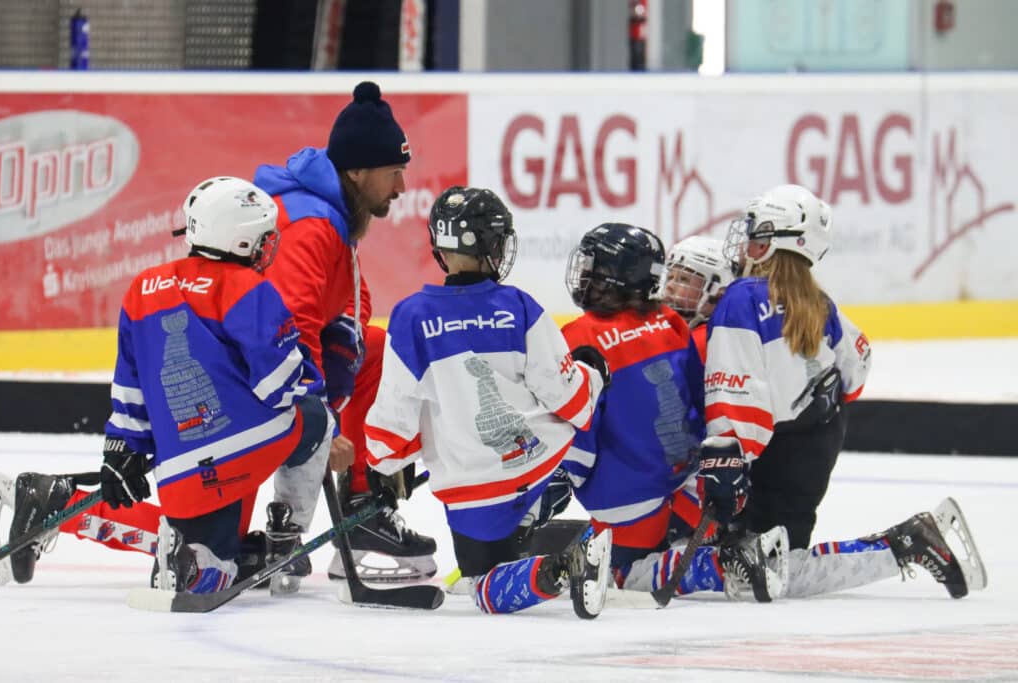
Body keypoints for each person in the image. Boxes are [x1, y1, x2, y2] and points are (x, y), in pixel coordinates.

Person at [4, 177, 334, 595]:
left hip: (177, 467)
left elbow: (130, 387)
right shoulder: (247, 288)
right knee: (318, 417)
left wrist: (123, 450)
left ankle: (60, 506)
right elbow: (280, 388)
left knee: (219, 552)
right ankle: (287, 534)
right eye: (263, 236)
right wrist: (310, 367)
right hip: (240, 452)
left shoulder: (144, 287)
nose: (269, 245)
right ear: (242, 241)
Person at [692, 184, 985, 598]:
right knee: (772, 565)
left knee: (765, 571)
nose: (746, 245)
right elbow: (857, 367)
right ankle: (908, 544)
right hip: (819, 440)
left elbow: (736, 388)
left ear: (777, 245)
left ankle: (904, 545)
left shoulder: (740, 299)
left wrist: (727, 458)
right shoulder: (820, 303)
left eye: (757, 237)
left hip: (771, 450)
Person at [364, 186, 612, 618]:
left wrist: (383, 465)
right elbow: (572, 402)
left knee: (484, 587)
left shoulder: (409, 317)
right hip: (541, 467)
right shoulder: (519, 307)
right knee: (566, 439)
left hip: (471, 492)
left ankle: (555, 568)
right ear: (491, 245)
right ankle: (538, 519)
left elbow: (394, 414)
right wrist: (594, 373)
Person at [252, 80, 436, 583]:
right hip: (242, 379)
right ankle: (285, 531)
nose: (401, 187)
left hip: (263, 369)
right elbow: (288, 328)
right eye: (393, 173)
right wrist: (323, 422)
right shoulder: (312, 226)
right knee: (208, 551)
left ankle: (360, 509)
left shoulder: (332, 213)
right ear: (356, 170)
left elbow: (351, 298)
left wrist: (344, 343)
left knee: (374, 349)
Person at [559, 223, 788, 603]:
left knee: (617, 575)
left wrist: (551, 480)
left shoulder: (577, 337)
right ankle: (707, 544)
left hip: (628, 504)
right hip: (692, 489)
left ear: (616, 280)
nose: (584, 277)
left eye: (593, 270)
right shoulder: (671, 322)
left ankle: (726, 564)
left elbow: (575, 432)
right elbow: (706, 400)